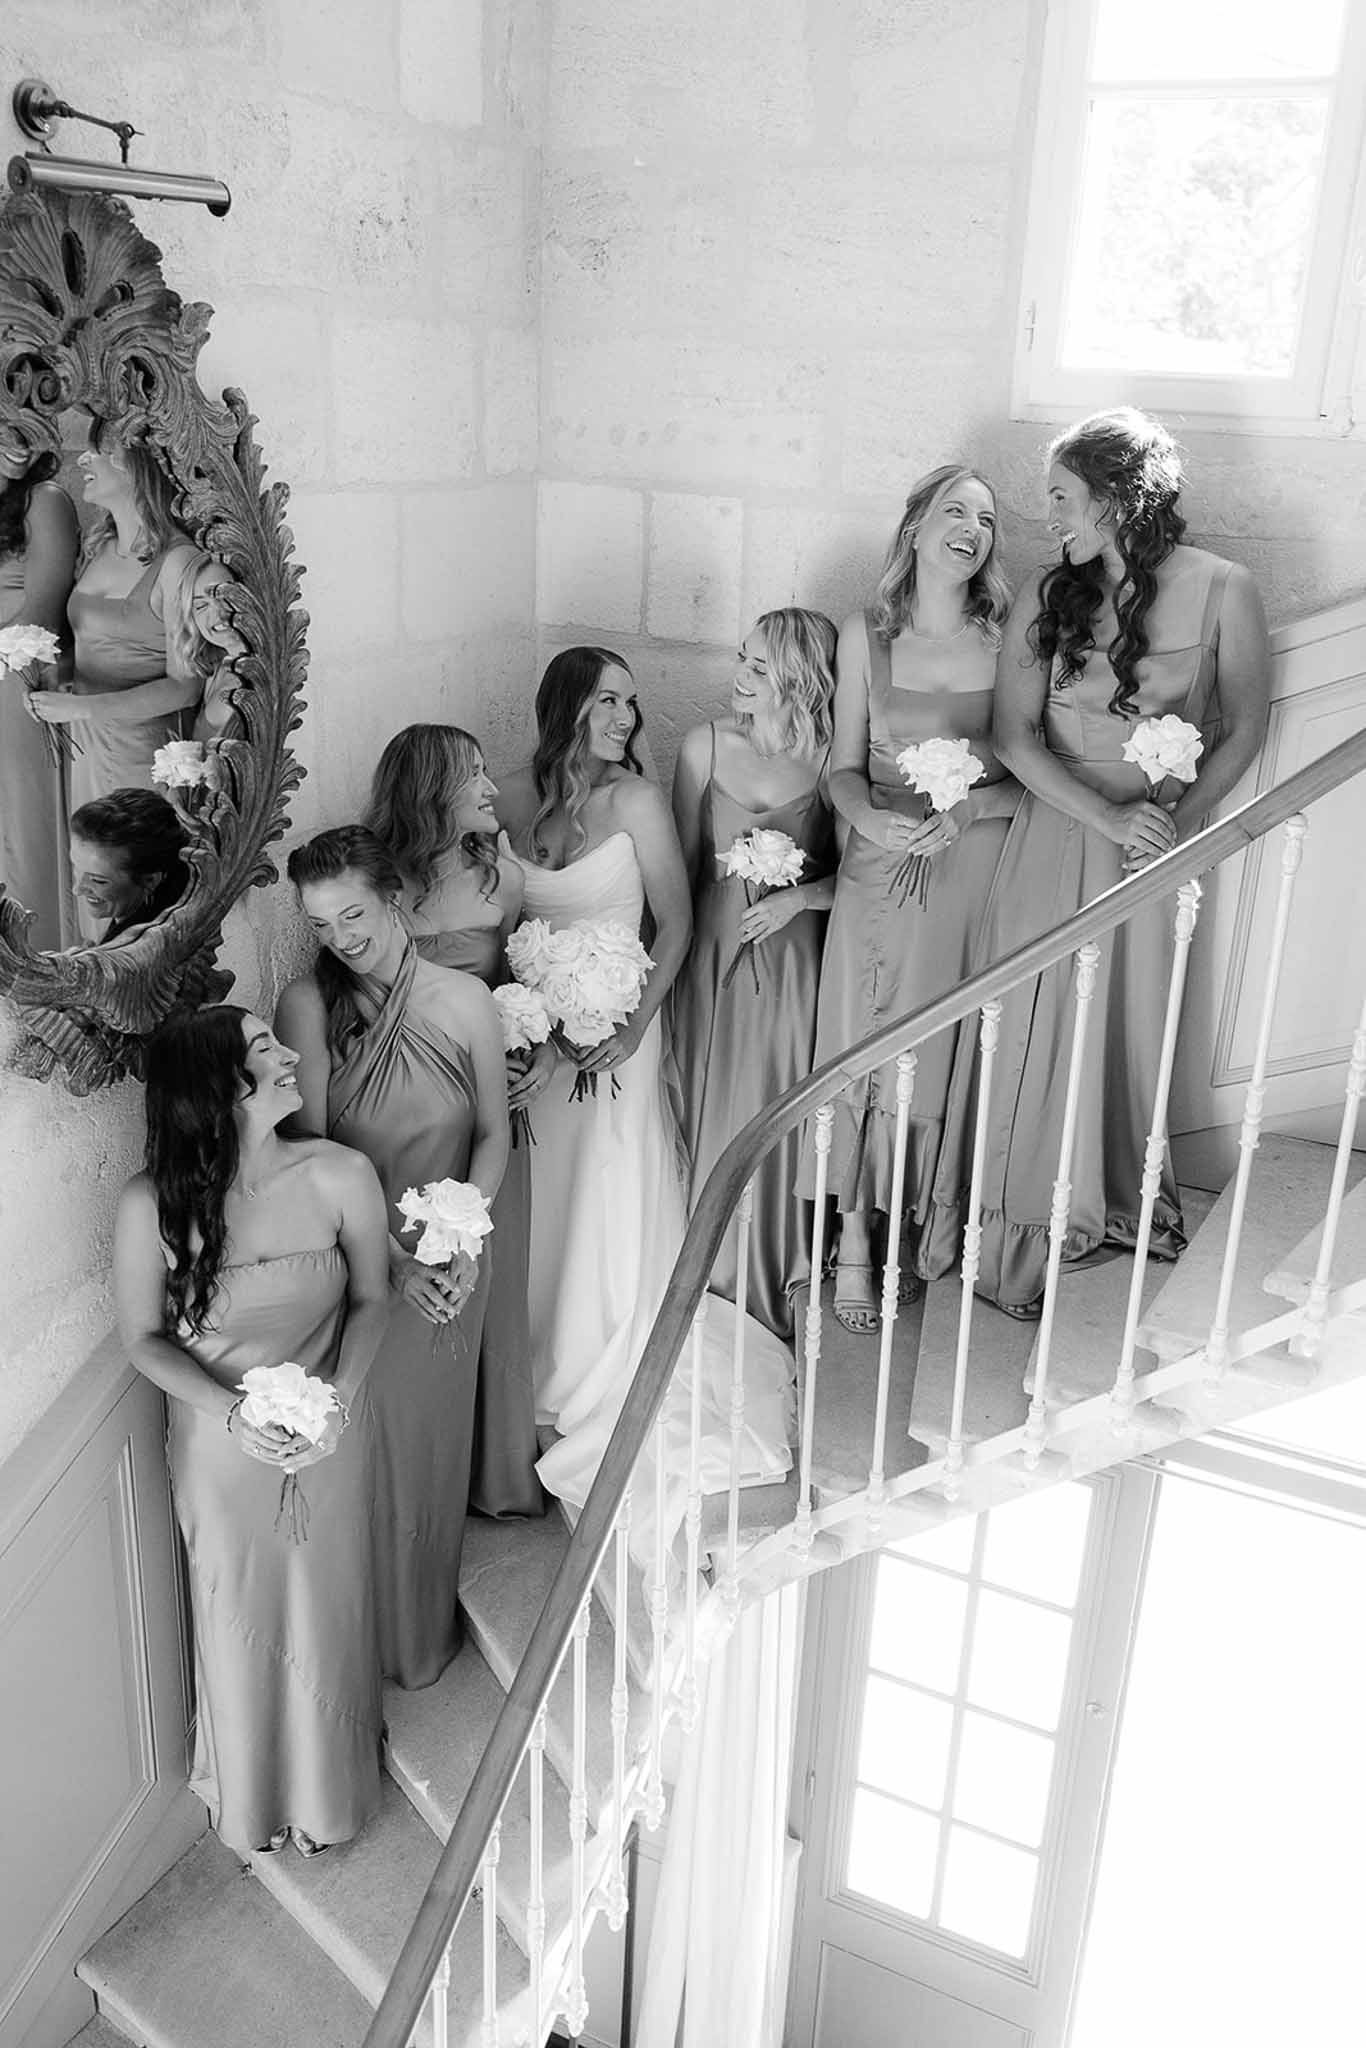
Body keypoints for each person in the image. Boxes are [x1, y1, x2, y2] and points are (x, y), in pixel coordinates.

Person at [920, 408, 1271, 1315]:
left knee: (1129, 1021)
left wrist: (1169, 825)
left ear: (1117, 498)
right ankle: (1015, 1217)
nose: (1052, 520)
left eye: (1064, 499)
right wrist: (1107, 818)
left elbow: (1244, 729)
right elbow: (1013, 735)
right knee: (1032, 1020)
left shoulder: (1227, 587)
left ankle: (1115, 1197)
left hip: (1159, 846)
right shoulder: (1051, 592)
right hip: (1058, 830)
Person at [497, 648, 793, 1547]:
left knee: (609, 1185)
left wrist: (628, 1028)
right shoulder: (508, 799)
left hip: (627, 1020)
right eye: (608, 701)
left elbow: (679, 921)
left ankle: (607, 1351)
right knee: (544, 1197)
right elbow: (500, 924)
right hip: (540, 1039)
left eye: (633, 700)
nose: (627, 716)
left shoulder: (635, 800)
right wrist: (532, 1028)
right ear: (565, 706)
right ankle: (536, 1358)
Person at [113, 1004, 390, 1857]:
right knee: (238, 1614)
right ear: (218, 1085)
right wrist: (230, 1414)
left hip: (330, 1430)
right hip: (217, 1442)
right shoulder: (150, 1204)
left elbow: (375, 1299)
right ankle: (257, 1799)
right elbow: (142, 1339)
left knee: (325, 1602)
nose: (290, 1055)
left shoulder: (342, 1174)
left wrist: (337, 1400)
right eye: (265, 1048)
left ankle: (329, 1790)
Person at [276, 827, 509, 1688]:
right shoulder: (308, 1006)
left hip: (452, 1266)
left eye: (354, 913)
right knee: (367, 1458)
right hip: (365, 1273)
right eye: (321, 922)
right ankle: (360, 1652)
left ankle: (418, 1634)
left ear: (397, 899)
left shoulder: (466, 1000)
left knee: (431, 1454)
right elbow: (309, 1162)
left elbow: (492, 1134)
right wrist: (394, 1267)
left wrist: (461, 1238)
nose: (341, 937)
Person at [810, 465, 1017, 1333]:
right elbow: (842, 773)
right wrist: (874, 824)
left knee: (938, 1046)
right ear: (916, 527)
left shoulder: (1007, 639)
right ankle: (853, 1238)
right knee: (861, 1036)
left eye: (987, 518)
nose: (973, 526)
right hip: (876, 866)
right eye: (956, 510)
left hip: (968, 868)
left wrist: (966, 805)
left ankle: (918, 1224)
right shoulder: (868, 634)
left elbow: (1023, 776)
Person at [364, 724, 547, 1519]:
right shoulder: (374, 880)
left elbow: (518, 983)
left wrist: (542, 1052)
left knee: (487, 1287)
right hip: (399, 1108)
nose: (489, 787)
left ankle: (493, 1471)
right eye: (472, 774)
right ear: (430, 789)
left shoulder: (500, 875)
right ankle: (414, 1471)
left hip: (485, 1105)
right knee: (412, 1273)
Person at [670, 609, 837, 1342]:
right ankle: (697, 1277)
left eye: (759, 666)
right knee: (704, 1112)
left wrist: (798, 897)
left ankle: (766, 1273)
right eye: (742, 658)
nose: (739, 675)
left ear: (798, 679)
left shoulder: (832, 762)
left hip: (793, 968)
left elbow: (861, 880)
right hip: (711, 961)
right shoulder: (703, 744)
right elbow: (673, 877)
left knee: (771, 1113)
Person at [29, 427, 199, 810]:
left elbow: (185, 688)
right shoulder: (100, 546)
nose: (84, 458)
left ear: (139, 466)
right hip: (84, 746)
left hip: (143, 756)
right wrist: (61, 675)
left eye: (99, 450)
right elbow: (90, 641)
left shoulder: (178, 561)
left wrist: (83, 708)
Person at [0, 427, 79, 948]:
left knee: (20, 832)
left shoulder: (44, 501)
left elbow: (42, 618)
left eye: (30, 423)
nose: (18, 439)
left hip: (16, 681)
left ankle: (38, 954)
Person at [68, 787, 188, 944]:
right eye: (77, 868)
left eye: (98, 881)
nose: (76, 889)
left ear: (150, 880)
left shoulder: (138, 952)